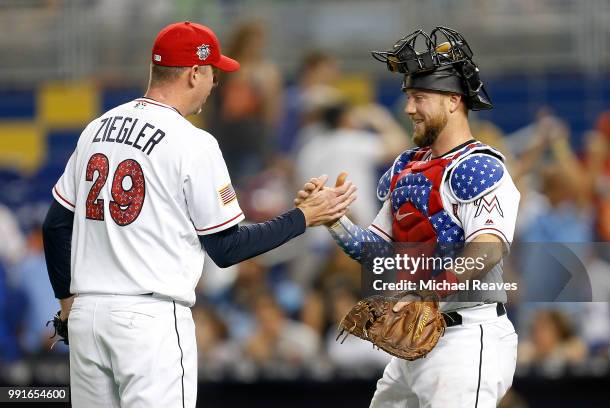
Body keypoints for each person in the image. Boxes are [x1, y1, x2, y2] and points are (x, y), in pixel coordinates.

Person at [41, 21, 356, 408]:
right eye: (213, 74)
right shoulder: (193, 142)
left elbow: (56, 224)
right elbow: (226, 248)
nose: (215, 84)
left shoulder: (97, 128)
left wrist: (69, 303)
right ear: (194, 73)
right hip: (149, 318)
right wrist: (303, 217)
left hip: (89, 315)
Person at [296, 27, 520, 407]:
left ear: (453, 100)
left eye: (419, 97)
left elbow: (488, 249)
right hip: (415, 341)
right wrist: (335, 219)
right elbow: (375, 251)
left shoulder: (479, 167)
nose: (408, 108)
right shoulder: (407, 167)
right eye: (408, 97)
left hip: (466, 338)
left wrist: (428, 288)